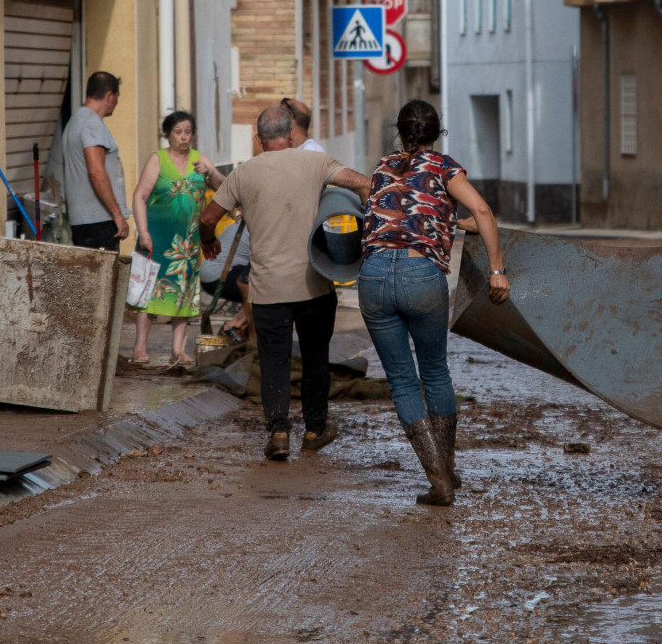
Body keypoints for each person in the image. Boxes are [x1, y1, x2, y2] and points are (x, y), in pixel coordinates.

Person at [198, 106, 373, 461]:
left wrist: (208, 242)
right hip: (314, 285)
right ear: (292, 135)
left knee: (274, 360)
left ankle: (278, 431)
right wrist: (365, 231)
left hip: (268, 289)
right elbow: (365, 184)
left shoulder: (244, 173)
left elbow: (208, 217)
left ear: (259, 140)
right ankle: (315, 429)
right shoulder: (317, 164)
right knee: (314, 358)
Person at [359, 99, 510, 507]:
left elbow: (399, 212)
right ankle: (446, 468)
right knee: (435, 370)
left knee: (402, 381)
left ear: (400, 132)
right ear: (436, 132)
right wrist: (497, 270)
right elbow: (481, 209)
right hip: (419, 275)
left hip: (372, 277)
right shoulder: (443, 167)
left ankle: (438, 479)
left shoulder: (382, 167)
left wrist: (447, 221)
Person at [130, 111, 222, 368]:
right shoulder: (157, 160)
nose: (183, 137)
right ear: (168, 134)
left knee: (184, 294)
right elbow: (139, 196)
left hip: (186, 243)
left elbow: (224, 187)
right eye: (178, 132)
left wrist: (210, 172)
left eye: (187, 132)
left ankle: (177, 351)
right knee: (149, 292)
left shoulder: (199, 160)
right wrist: (143, 231)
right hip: (156, 238)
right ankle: (139, 348)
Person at [57, 71, 133, 251]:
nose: (116, 103)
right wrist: (118, 215)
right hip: (98, 221)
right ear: (109, 96)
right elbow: (96, 172)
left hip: (81, 220)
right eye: (117, 97)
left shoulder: (75, 121)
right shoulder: (92, 124)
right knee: (105, 278)